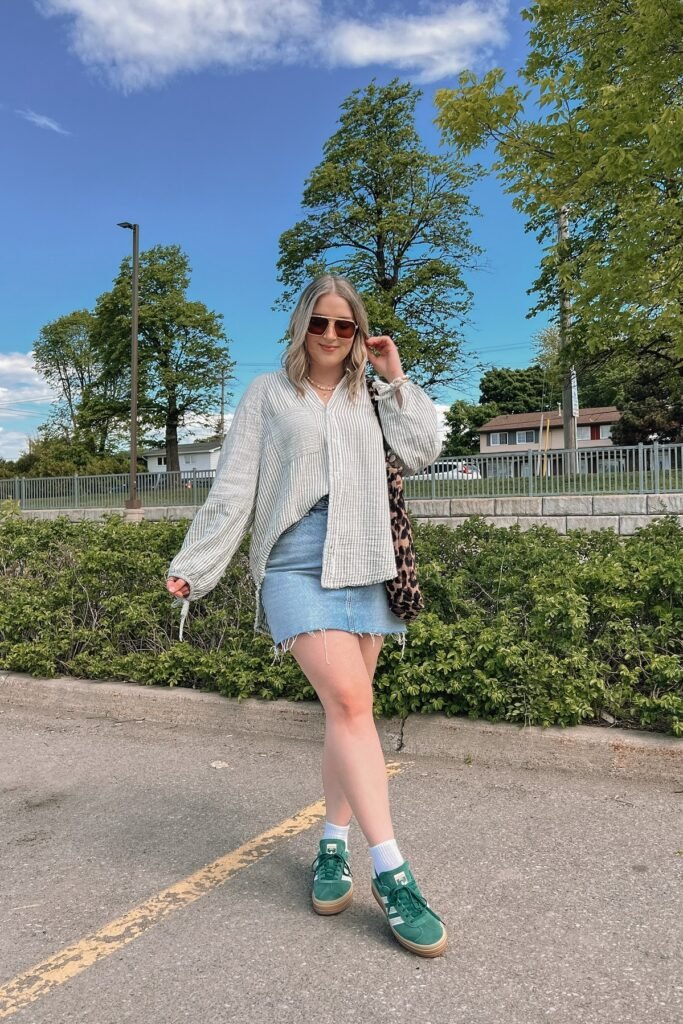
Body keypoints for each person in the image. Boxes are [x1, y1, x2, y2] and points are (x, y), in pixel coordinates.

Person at [165, 274, 446, 957]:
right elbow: (234, 485)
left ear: (358, 334)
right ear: (301, 327)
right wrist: (198, 562)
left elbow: (423, 450)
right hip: (293, 562)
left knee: (350, 716)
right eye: (319, 322)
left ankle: (331, 845)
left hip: (366, 558)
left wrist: (395, 376)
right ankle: (393, 874)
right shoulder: (268, 393)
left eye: (344, 326)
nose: (330, 335)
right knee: (350, 703)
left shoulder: (368, 395)